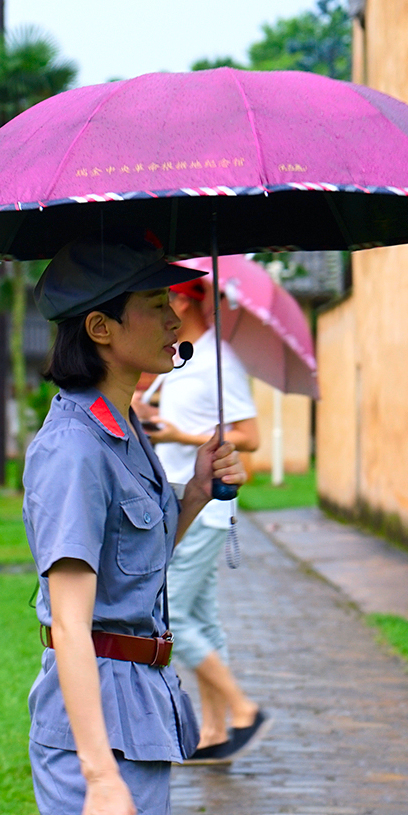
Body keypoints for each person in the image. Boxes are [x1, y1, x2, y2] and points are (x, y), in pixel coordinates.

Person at [24, 232, 248, 815]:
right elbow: (70, 622)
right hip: (99, 709)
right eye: (156, 305)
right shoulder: (74, 448)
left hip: (139, 698)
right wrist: (98, 777)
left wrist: (195, 493)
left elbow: (132, 565)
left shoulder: (119, 428)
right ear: (100, 327)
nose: (176, 320)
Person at [136, 276, 270, 762]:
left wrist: (177, 436)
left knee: (172, 617)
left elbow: (249, 436)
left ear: (186, 301)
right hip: (182, 503)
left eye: (165, 296)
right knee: (204, 622)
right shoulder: (184, 358)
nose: (163, 306)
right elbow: (175, 425)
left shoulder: (218, 361)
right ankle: (214, 732)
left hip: (204, 506)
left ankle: (243, 708)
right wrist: (148, 414)